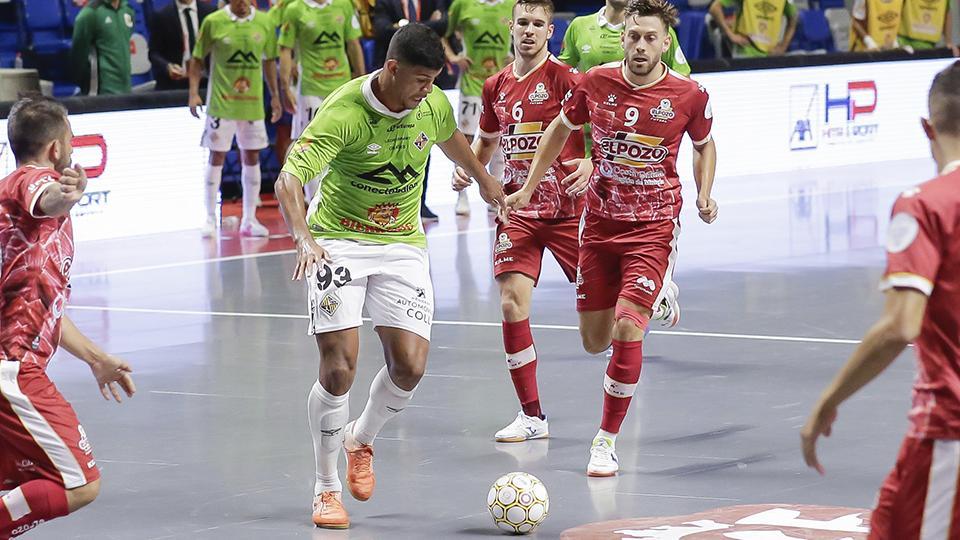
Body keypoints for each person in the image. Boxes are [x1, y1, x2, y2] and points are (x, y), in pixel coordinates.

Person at [274, 23, 507, 528]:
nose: (427, 91)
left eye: (433, 82)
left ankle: (361, 439)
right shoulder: (344, 113)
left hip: (402, 243)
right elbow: (290, 176)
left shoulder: (431, 103)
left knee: (410, 366)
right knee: (339, 367)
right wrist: (302, 236)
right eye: (420, 80)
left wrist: (486, 180)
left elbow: (450, 138)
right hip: (336, 241)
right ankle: (326, 487)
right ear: (392, 69)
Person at [507, 0, 718, 476]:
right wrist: (526, 186)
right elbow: (561, 130)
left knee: (627, 329)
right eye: (633, 35)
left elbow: (704, 147)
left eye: (650, 37)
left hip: (654, 227)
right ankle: (658, 293)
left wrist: (705, 194)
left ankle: (605, 440)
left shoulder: (689, 94)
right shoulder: (595, 82)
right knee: (593, 340)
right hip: (599, 228)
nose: (640, 45)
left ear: (666, 43)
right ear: (622, 36)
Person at [801, 61, 960, 539]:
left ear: (926, 127)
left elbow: (901, 326)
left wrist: (827, 401)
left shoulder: (924, 203)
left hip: (948, 431)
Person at [451, 0, 588, 441]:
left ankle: (658, 285)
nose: (528, 31)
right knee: (511, 303)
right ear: (510, 27)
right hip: (518, 210)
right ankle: (532, 416)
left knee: (601, 316)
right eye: (522, 23)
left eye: (538, 24)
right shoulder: (495, 85)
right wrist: (469, 167)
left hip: (568, 210)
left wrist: (591, 163)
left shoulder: (569, 79)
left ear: (551, 31)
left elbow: (603, 129)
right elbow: (487, 141)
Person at [0, 95, 136, 538]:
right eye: (71, 141)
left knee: (19, 483)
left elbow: (46, 309)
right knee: (78, 483)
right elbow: (45, 197)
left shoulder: (25, 220)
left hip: (16, 363)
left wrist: (96, 358)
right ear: (57, 149)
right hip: (13, 371)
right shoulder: (28, 181)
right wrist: (69, 192)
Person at [188, 0, 282, 238]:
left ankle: (249, 220)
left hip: (251, 103)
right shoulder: (213, 22)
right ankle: (210, 218)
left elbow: (269, 61)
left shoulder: (265, 22)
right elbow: (197, 58)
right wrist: (193, 92)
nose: (241, 4)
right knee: (216, 154)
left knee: (251, 156)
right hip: (222, 103)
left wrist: (275, 97)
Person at [279, 0, 366, 201]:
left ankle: (337, 201)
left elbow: (353, 44)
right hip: (310, 88)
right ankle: (312, 205)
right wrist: (285, 87)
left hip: (341, 87)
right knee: (309, 146)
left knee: (343, 145)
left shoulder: (344, 5)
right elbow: (285, 50)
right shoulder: (295, 10)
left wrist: (361, 80)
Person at [372, 0, 448, 220]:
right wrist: (422, 28)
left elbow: (443, 25)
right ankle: (383, 204)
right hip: (394, 83)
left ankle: (419, 203)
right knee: (384, 145)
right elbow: (382, 30)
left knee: (423, 142)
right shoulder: (386, 2)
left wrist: (404, 27)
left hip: (421, 76)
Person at [443, 0, 514, 216]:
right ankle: (461, 195)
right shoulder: (462, 4)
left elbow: (522, 32)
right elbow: (443, 34)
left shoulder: (511, 4)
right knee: (465, 140)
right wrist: (454, 57)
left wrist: (514, 55)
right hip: (471, 83)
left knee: (500, 140)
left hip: (502, 83)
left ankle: (496, 194)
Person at [559, 0, 690, 75]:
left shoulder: (657, 29)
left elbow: (683, 77)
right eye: (634, 36)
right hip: (589, 121)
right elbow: (562, 75)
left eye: (648, 38)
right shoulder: (578, 26)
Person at [70, 0, 135, 95]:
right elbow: (78, 58)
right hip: (102, 92)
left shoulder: (128, 10)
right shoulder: (89, 14)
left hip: (126, 89)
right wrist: (89, 84)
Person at [149, 0, 217, 91]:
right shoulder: (161, 15)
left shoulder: (211, 13)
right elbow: (154, 53)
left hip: (207, 84)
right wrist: (168, 66)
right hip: (175, 86)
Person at [707, 0, 798, 57]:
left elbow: (793, 20)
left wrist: (783, 47)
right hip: (745, 52)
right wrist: (731, 35)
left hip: (770, 55)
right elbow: (714, 8)